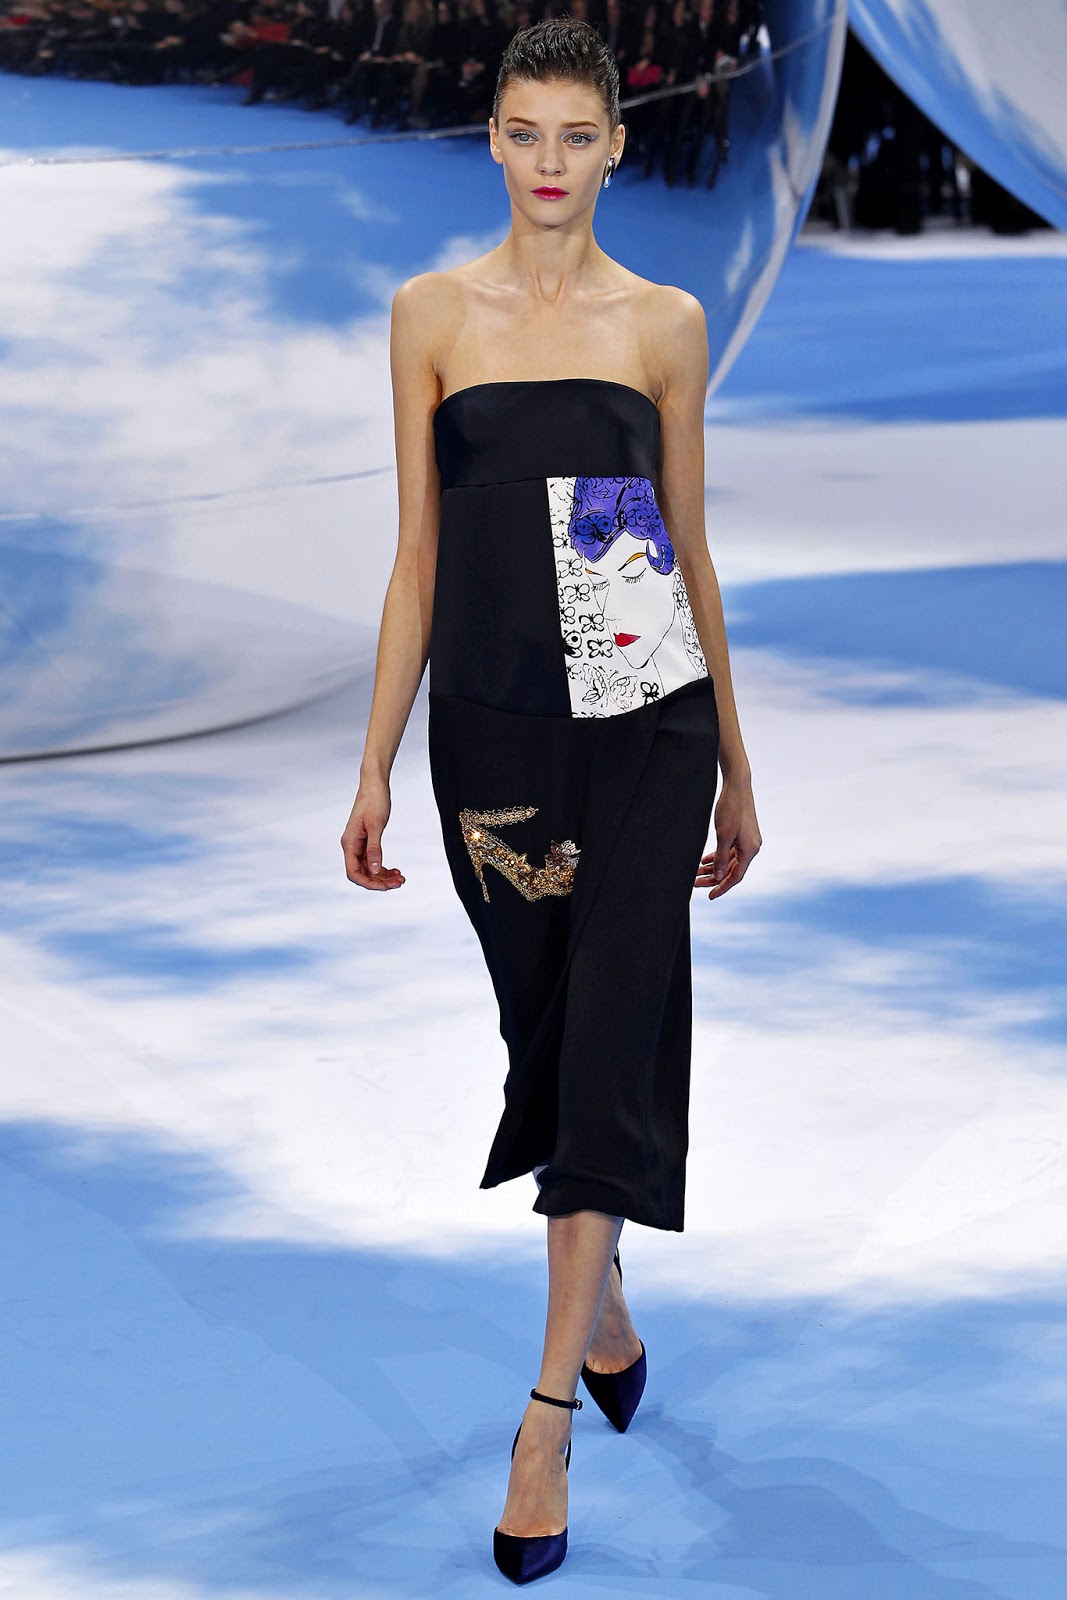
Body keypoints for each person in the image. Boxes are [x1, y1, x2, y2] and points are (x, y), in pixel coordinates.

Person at [339, 15, 761, 1584]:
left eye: (578, 135)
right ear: (495, 141)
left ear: (617, 147)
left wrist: (738, 761)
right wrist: (376, 758)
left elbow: (685, 550)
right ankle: (607, 1300)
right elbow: (418, 555)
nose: (550, 162)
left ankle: (543, 1422)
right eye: (525, 133)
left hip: (645, 708)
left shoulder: (666, 323)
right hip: (496, 719)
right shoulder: (430, 315)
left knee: (610, 1035)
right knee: (547, 1036)